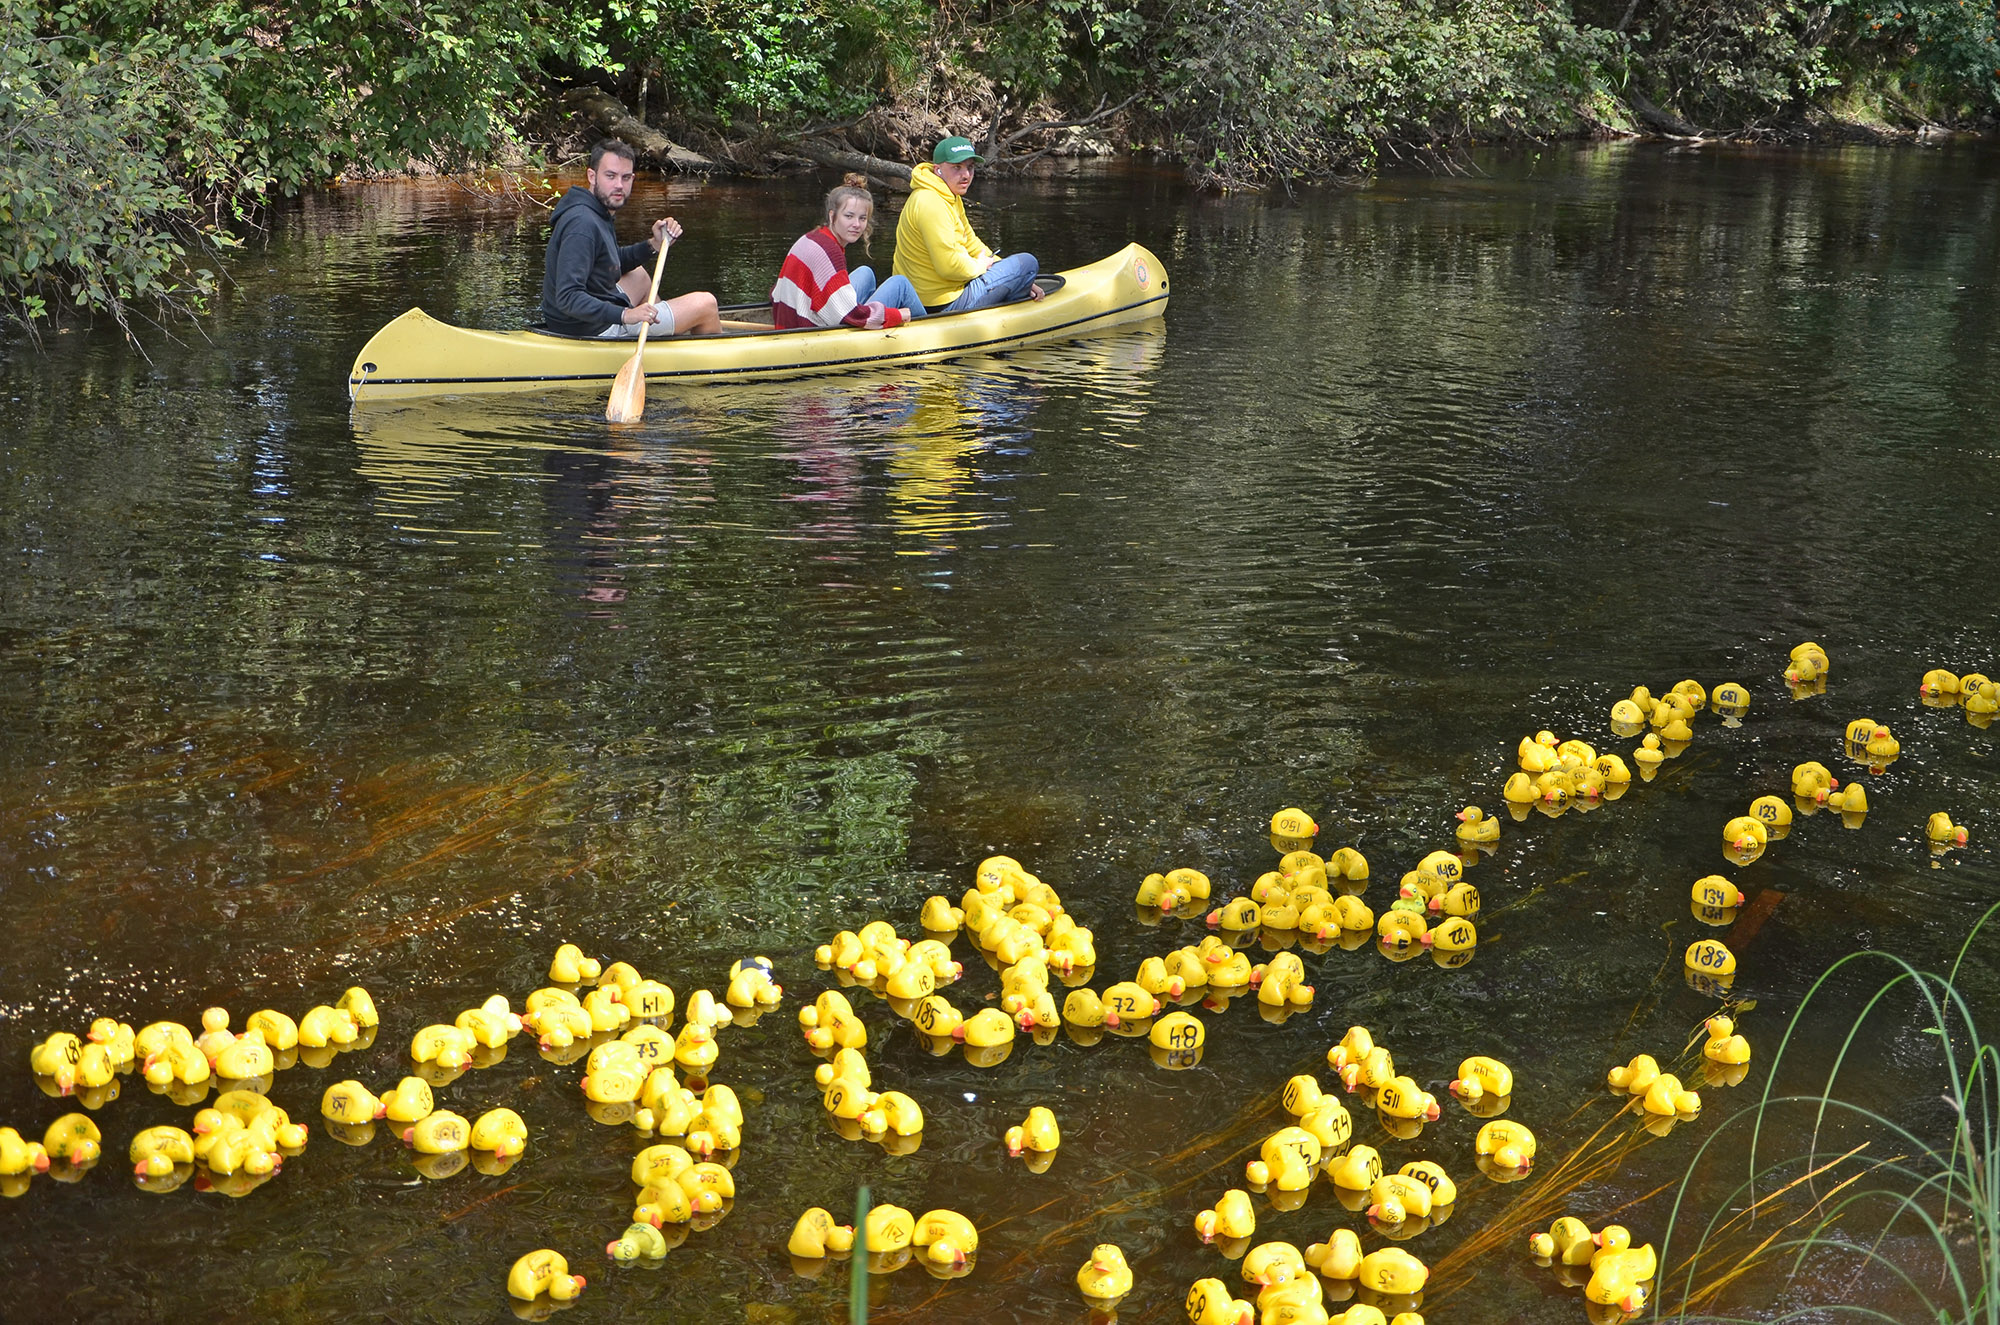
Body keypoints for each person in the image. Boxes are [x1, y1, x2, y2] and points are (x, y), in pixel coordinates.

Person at [541, 138, 721, 338]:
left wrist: (653, 245)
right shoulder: (582, 224)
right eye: (610, 176)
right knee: (707, 304)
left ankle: (658, 335)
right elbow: (568, 297)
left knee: (639, 275)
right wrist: (625, 314)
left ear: (633, 179)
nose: (619, 185)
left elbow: (608, 261)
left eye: (626, 177)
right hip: (589, 328)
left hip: (582, 319)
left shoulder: (596, 210)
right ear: (592, 176)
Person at [893, 137, 1043, 315]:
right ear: (937, 169)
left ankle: (1014, 290)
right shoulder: (932, 204)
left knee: (1020, 271)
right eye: (957, 167)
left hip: (930, 297)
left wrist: (1017, 277)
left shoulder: (946, 194)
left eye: (970, 167)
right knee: (1027, 263)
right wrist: (981, 266)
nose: (966, 175)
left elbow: (971, 243)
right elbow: (949, 267)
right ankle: (1013, 313)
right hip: (941, 305)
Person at [771, 174, 926, 330]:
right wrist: (897, 315)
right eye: (849, 216)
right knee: (900, 284)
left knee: (866, 273)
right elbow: (851, 315)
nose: (856, 225)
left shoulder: (812, 237)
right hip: (810, 328)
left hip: (805, 314)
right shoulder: (830, 252)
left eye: (862, 218)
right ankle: (929, 330)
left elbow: (774, 292)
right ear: (833, 216)